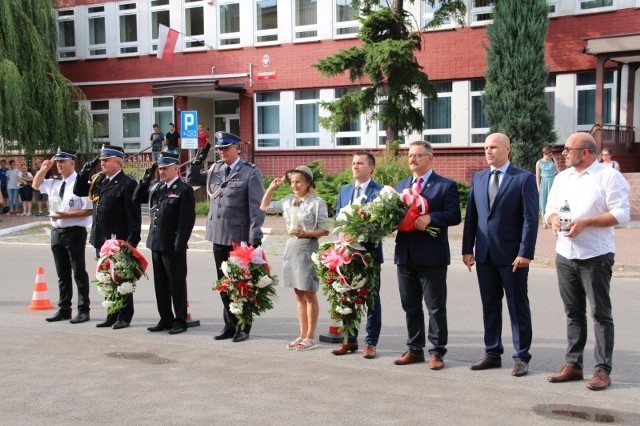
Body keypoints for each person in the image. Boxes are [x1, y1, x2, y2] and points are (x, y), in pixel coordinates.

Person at [544, 133, 630, 391]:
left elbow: (621, 213)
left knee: (600, 314)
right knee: (573, 312)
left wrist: (586, 222)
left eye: (569, 149)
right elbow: (549, 209)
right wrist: (553, 220)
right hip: (565, 253)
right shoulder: (562, 177)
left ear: (585, 152)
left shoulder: (608, 176)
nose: (564, 153)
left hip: (595, 255)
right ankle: (574, 364)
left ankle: (602, 371)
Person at [462, 133, 538, 377]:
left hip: (513, 256)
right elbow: (472, 216)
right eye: (485, 147)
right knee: (490, 306)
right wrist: (467, 248)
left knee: (517, 307)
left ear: (508, 149)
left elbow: (530, 219)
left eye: (493, 147)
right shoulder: (479, 178)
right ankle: (492, 353)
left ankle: (521, 357)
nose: (488, 151)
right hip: (484, 255)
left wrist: (525, 252)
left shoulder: (523, 178)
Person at [187, 131, 265, 342]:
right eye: (219, 149)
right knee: (224, 283)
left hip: (239, 238)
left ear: (237, 148)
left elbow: (256, 207)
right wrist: (198, 158)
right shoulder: (216, 169)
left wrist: (254, 235)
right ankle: (229, 325)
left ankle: (243, 326)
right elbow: (192, 179)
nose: (222, 152)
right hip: (218, 235)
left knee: (240, 284)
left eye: (226, 148)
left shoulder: (249, 172)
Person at [392, 141, 461, 369]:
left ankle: (437, 352)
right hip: (405, 254)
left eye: (418, 155)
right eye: (410, 155)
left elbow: (454, 215)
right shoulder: (400, 185)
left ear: (430, 158)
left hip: (432, 256)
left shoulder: (445, 185)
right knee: (409, 304)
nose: (412, 159)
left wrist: (432, 218)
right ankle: (414, 349)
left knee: (435, 307)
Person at [261, 165, 329, 351]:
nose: (295, 185)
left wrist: (306, 233)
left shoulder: (317, 202)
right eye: (292, 182)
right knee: (298, 293)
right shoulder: (288, 201)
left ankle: (310, 337)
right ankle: (301, 334)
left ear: (308, 183)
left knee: (308, 293)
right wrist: (272, 187)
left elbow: (324, 229)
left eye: (299, 181)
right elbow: (264, 207)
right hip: (291, 246)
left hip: (308, 246)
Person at [74, 146, 142, 330]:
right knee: (106, 278)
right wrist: (84, 171)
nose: (102, 163)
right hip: (101, 239)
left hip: (119, 239)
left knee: (122, 278)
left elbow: (133, 215)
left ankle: (124, 315)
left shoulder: (128, 183)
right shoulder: (99, 180)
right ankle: (111, 313)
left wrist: (131, 242)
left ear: (118, 163)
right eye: (101, 160)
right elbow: (80, 191)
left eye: (107, 160)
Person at [135, 153, 196, 335]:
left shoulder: (183, 190)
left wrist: (180, 243)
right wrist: (146, 180)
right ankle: (165, 318)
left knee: (176, 284)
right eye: (160, 168)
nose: (161, 171)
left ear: (176, 168)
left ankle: (180, 320)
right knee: (160, 285)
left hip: (172, 244)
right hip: (156, 242)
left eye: (165, 168)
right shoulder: (157, 188)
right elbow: (136, 198)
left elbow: (186, 220)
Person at [331, 152, 384, 359]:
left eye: (360, 163)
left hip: (369, 252)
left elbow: (380, 224)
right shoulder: (344, 190)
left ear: (371, 168)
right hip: (346, 253)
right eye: (353, 163)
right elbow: (338, 216)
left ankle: (370, 343)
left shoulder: (380, 191)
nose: (356, 166)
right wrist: (342, 233)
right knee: (347, 296)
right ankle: (349, 339)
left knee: (371, 298)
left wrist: (360, 232)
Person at [32, 148, 93, 324]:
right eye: (57, 162)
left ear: (72, 163)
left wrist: (66, 216)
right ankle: (64, 308)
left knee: (78, 272)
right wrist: (44, 168)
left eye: (62, 162)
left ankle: (83, 310)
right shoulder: (55, 183)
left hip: (74, 231)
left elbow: (89, 210)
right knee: (62, 274)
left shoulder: (82, 183)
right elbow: (36, 185)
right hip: (57, 232)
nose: (58, 165)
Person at [535, 146, 559, 229]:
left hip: (552, 181)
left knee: (554, 200)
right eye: (548, 155)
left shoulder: (553, 160)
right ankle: (544, 222)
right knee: (543, 201)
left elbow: (558, 172)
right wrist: (538, 187)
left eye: (551, 155)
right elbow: (537, 175)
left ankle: (555, 219)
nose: (550, 156)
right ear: (544, 154)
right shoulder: (539, 163)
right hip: (544, 182)